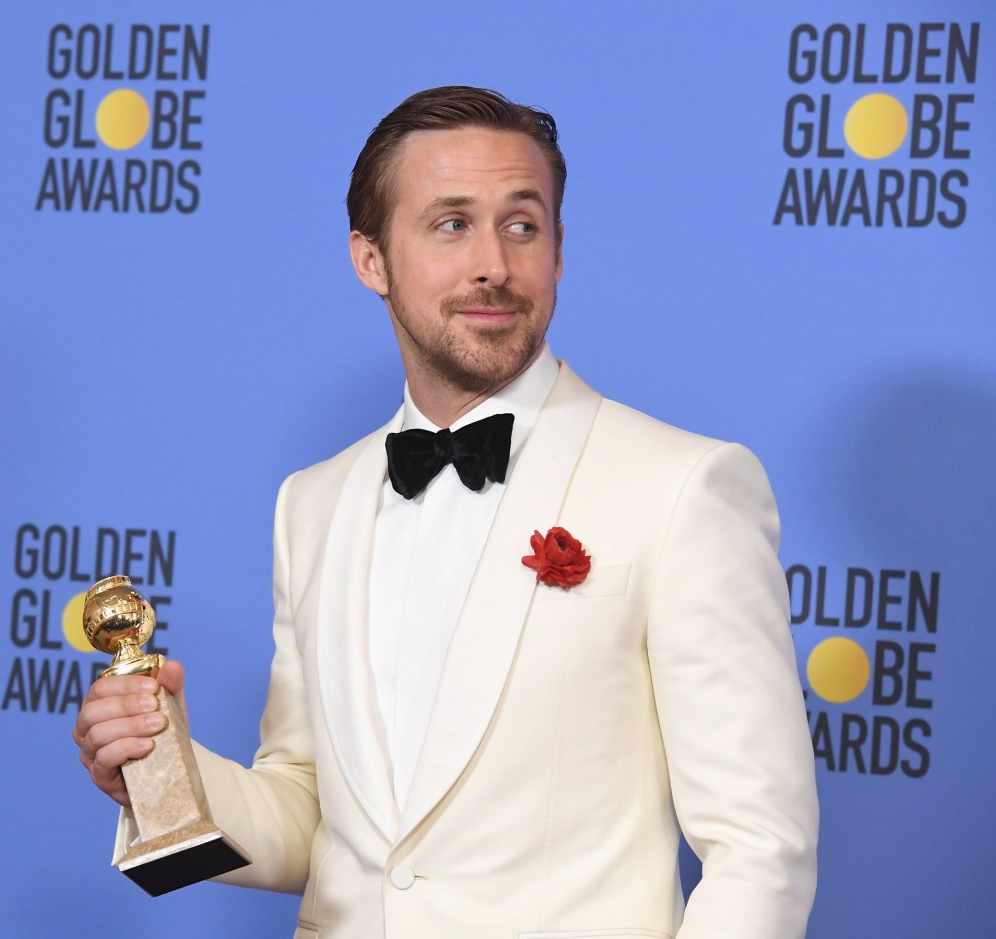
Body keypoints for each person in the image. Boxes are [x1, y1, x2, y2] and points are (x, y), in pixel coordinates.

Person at [74, 85, 818, 939]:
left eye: (522, 225)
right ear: (370, 259)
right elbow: (312, 825)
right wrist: (160, 768)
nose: (493, 264)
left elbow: (761, 846)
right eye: (451, 224)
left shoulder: (683, 485)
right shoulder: (311, 504)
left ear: (560, 249)